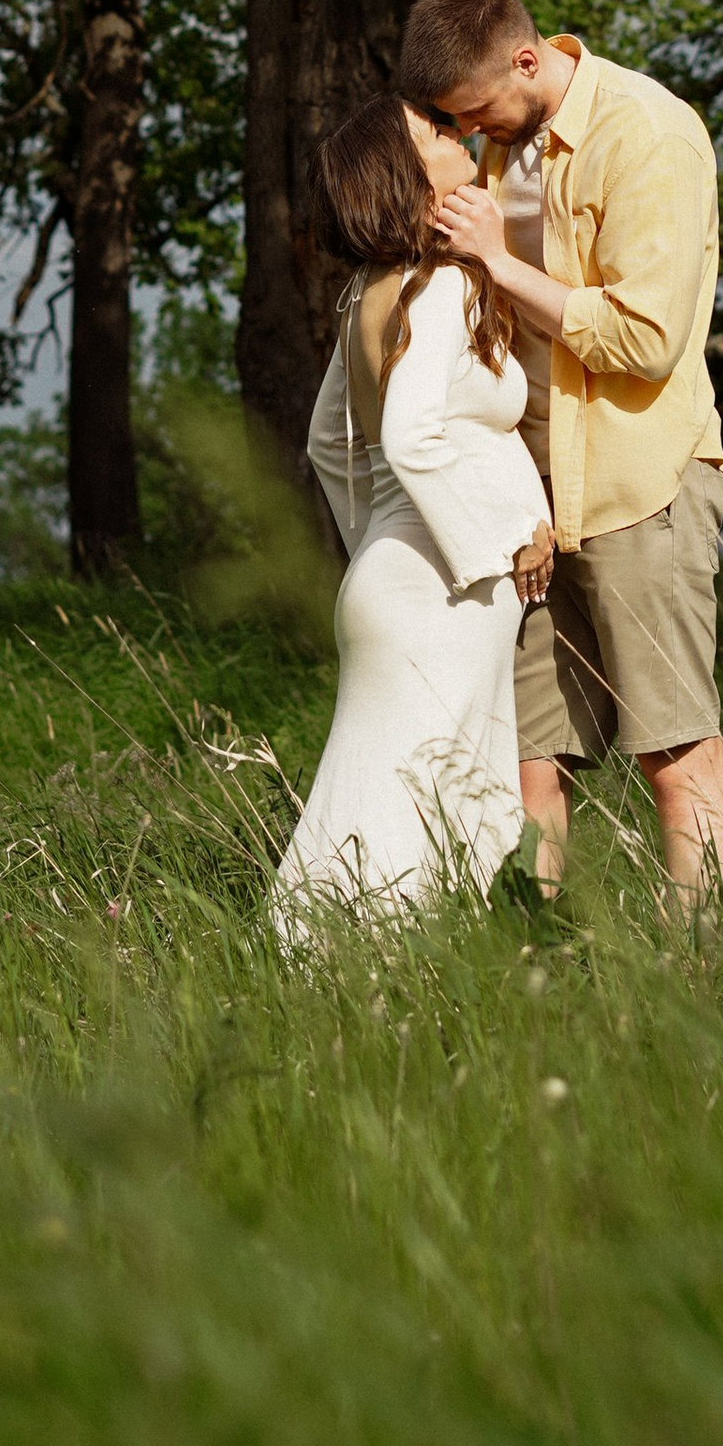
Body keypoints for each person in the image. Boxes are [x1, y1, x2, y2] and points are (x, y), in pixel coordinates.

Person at [399, 0, 723, 913]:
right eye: (453, 122)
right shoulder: (501, 146)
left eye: (478, 111)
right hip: (534, 507)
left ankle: (704, 979)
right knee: (528, 762)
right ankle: (535, 971)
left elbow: (644, 339)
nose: (473, 133)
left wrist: (497, 265)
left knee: (675, 753)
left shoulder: (646, 132)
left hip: (642, 486)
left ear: (525, 57)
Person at [271, 91, 556, 938]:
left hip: (396, 581)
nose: (456, 130)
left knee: (383, 795)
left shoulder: (368, 290)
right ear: (409, 172)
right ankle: (363, 972)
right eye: (435, 130)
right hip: (444, 591)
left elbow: (331, 444)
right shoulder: (437, 289)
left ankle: (331, 965)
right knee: (427, 802)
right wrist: (488, 548)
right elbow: (407, 437)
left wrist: (376, 547)